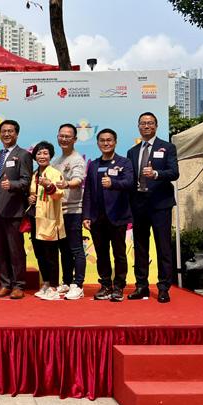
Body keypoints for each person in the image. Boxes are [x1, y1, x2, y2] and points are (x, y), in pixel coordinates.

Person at [127, 112, 179, 303]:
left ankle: (164, 287)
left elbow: (174, 173)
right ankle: (141, 286)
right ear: (138, 126)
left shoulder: (167, 147)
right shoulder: (132, 151)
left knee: (163, 247)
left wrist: (156, 174)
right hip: (139, 204)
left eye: (150, 123)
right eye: (143, 123)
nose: (146, 126)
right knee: (140, 247)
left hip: (160, 205)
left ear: (156, 126)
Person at [82, 129, 134, 302]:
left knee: (119, 254)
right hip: (97, 218)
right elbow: (88, 192)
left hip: (117, 216)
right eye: (102, 140)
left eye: (109, 140)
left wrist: (113, 183)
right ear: (98, 143)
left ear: (115, 142)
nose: (106, 143)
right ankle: (105, 285)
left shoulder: (124, 162)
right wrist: (86, 215)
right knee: (101, 254)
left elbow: (130, 182)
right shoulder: (94, 165)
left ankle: (118, 287)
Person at [0, 120, 32, 300]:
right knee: (0, 250)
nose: (6, 134)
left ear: (17, 134)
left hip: (14, 210)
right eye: (3, 131)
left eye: (10, 131)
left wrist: (12, 184)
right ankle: (5, 284)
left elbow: (26, 181)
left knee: (15, 250)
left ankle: (19, 285)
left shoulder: (23, 155)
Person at [52, 123, 87, 300]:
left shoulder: (77, 159)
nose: (64, 139)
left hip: (73, 210)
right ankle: (66, 282)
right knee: (64, 250)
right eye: (61, 135)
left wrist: (67, 183)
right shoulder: (57, 160)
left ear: (74, 139)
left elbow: (78, 180)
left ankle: (78, 284)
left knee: (76, 249)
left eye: (68, 136)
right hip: (59, 211)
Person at [28, 141, 65, 301]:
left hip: (49, 219)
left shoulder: (55, 173)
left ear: (50, 156)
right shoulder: (34, 174)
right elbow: (32, 193)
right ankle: (46, 283)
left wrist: (49, 185)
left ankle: (54, 286)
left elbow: (59, 194)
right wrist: (30, 198)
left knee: (51, 255)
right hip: (35, 219)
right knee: (40, 254)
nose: (42, 156)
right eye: (39, 153)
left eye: (45, 153)